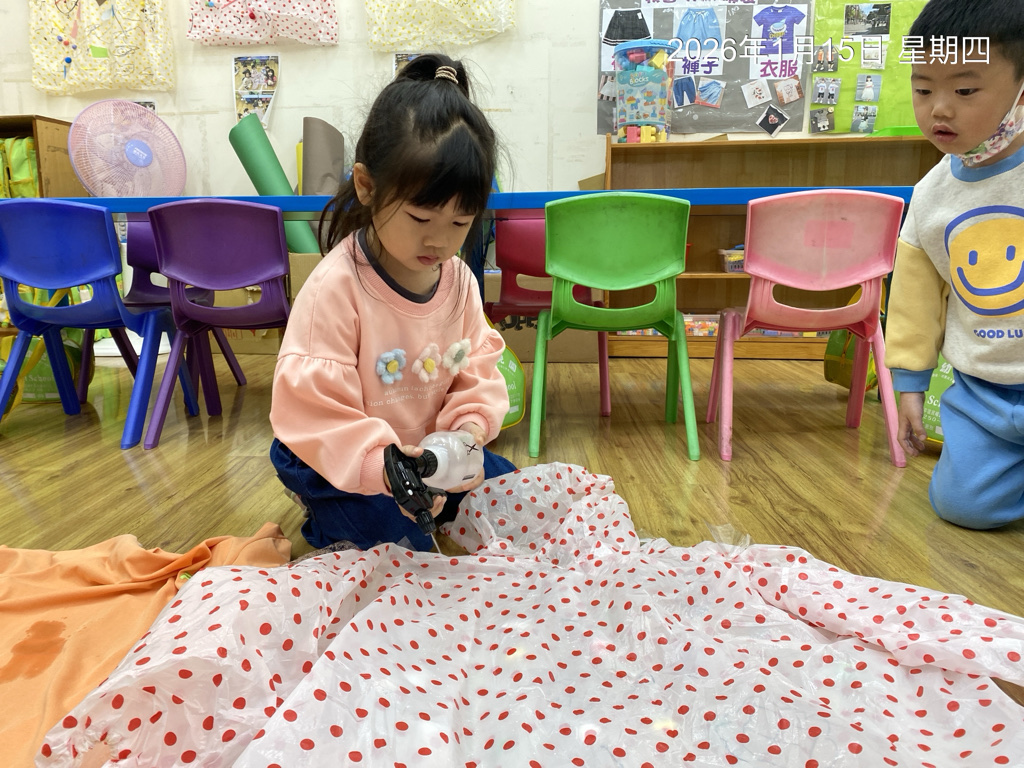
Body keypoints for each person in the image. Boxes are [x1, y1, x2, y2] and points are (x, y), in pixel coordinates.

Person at [269, 53, 516, 552]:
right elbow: (316, 410)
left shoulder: (459, 282)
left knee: (512, 498)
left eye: (460, 222)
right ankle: (324, 512)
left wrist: (467, 432)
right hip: (333, 452)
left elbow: (477, 371)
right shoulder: (336, 287)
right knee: (401, 549)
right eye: (421, 218)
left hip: (423, 449)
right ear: (366, 186)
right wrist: (383, 466)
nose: (440, 241)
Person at [886, 0, 1024, 529]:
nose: (939, 109)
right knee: (961, 507)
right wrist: (910, 386)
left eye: (965, 91)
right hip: (983, 391)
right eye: (923, 89)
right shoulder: (930, 195)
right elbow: (914, 304)